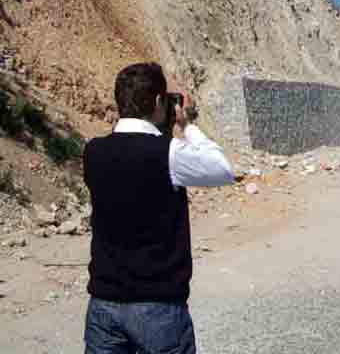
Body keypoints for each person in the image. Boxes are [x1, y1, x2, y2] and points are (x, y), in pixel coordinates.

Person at [82, 62, 235, 354]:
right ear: (157, 102)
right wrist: (187, 125)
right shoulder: (167, 153)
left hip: (103, 304)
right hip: (158, 306)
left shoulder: (93, 152)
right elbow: (223, 169)